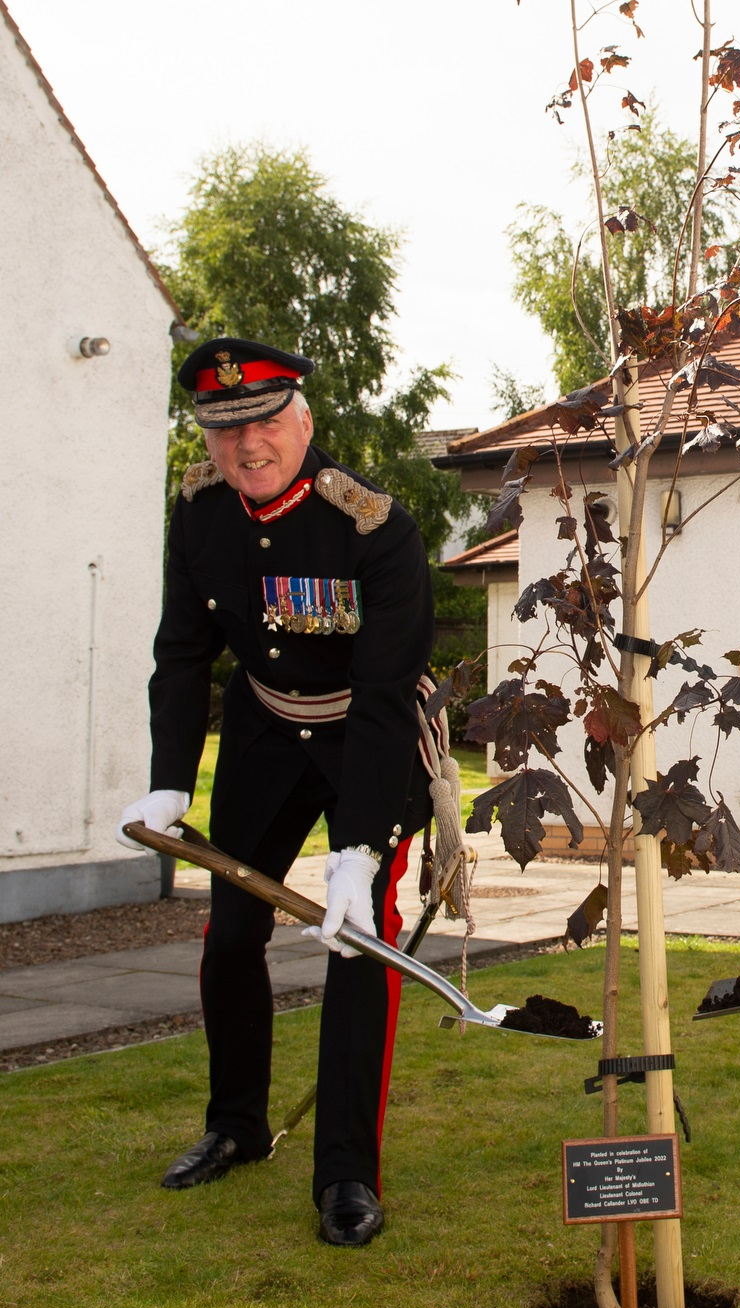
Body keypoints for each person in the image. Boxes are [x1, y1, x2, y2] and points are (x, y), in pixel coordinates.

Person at [116, 337, 436, 1248]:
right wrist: (171, 780)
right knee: (231, 935)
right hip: (261, 728)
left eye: (262, 423)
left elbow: (382, 696)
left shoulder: (375, 527)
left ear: (302, 419)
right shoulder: (202, 513)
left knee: (354, 944)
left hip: (362, 739)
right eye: (225, 431)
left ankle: (345, 1173)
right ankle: (236, 1124)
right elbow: (182, 651)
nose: (246, 447)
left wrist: (360, 850)